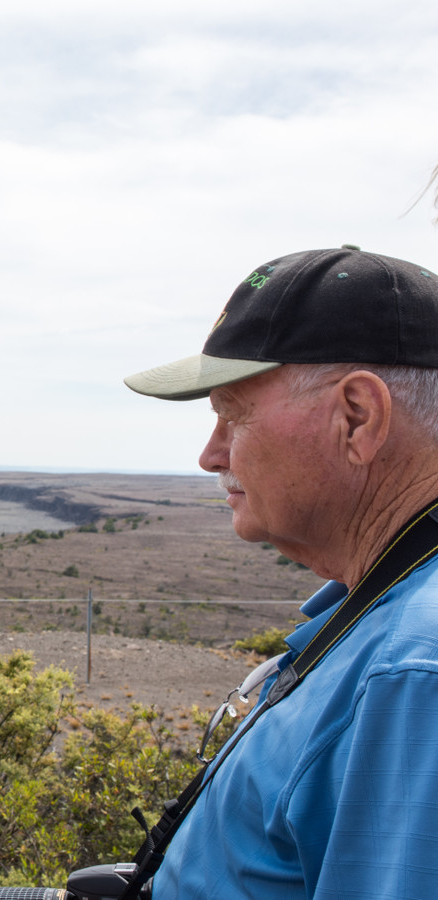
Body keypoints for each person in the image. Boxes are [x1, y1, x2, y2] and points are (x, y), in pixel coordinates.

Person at [123, 245, 438, 899]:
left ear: (358, 417)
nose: (210, 455)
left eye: (232, 414)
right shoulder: (378, 610)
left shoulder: (412, 673)